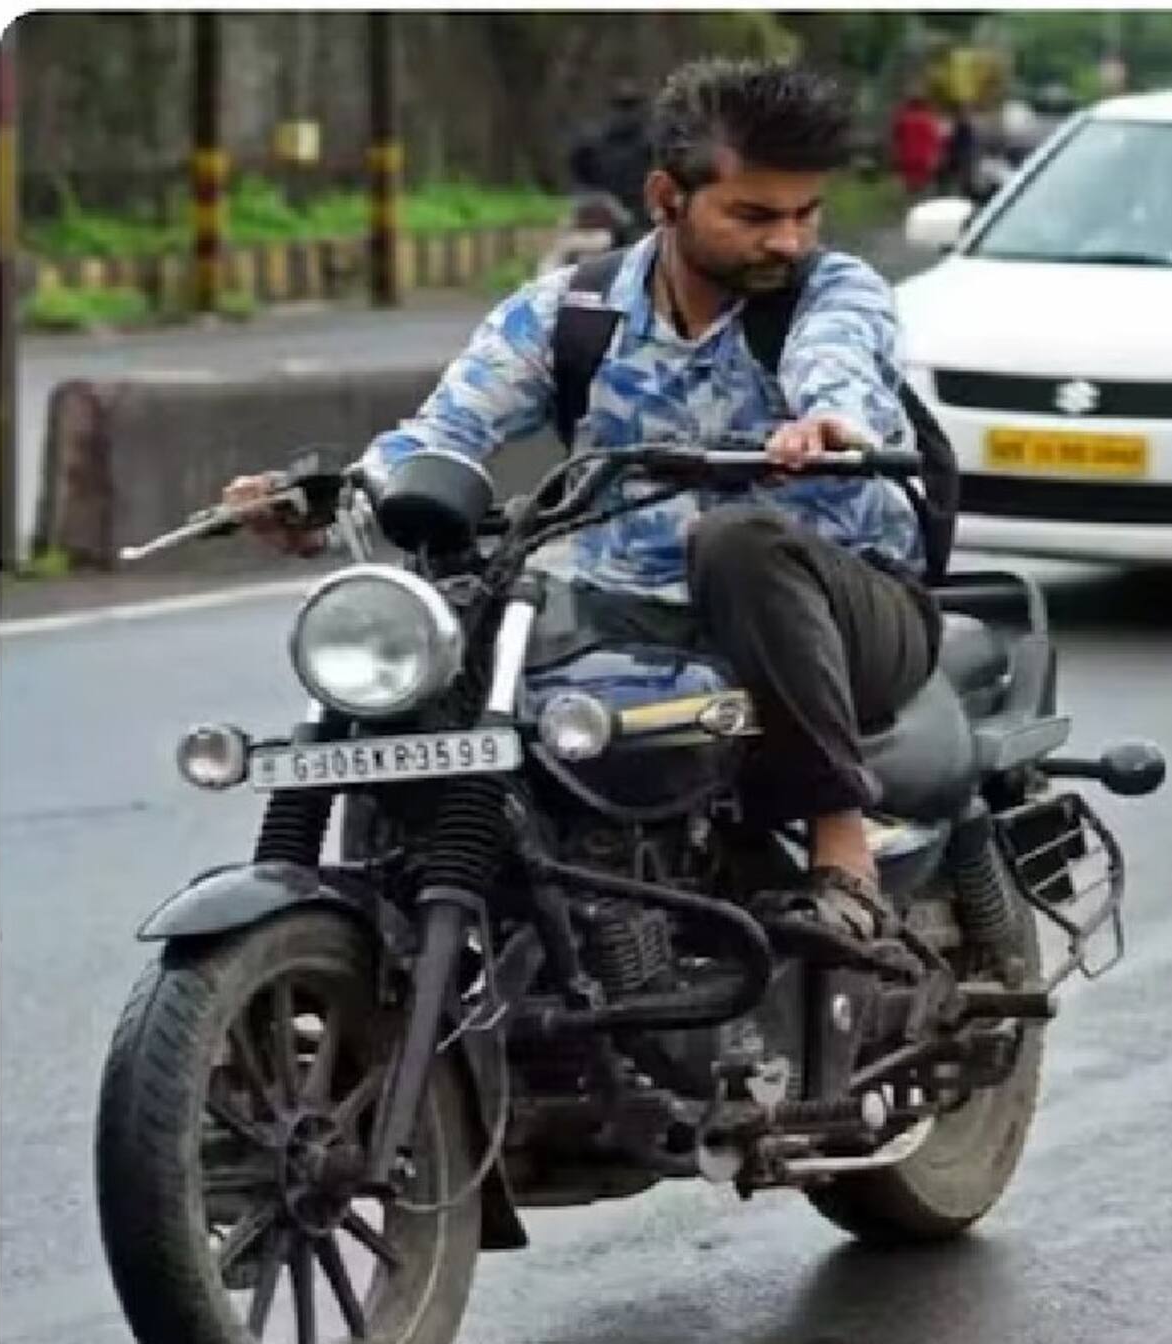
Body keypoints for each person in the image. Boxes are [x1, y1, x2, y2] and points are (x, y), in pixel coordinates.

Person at [225, 58, 940, 944]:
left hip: (843, 613)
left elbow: (840, 369)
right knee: (448, 616)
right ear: (665, 198)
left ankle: (840, 843)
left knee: (737, 540)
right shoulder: (570, 312)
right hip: (626, 616)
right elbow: (445, 431)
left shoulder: (832, 294)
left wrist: (829, 425)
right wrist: (320, 498)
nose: (788, 241)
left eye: (804, 215)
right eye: (755, 215)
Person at [567, 80, 655, 230]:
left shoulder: (592, 138)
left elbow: (577, 171)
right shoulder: (649, 139)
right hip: (629, 210)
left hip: (610, 210)